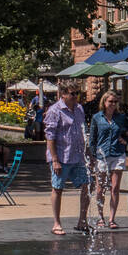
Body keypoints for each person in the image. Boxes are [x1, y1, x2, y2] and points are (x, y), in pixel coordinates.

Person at [44, 81, 89, 235]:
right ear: (63, 94)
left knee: (86, 186)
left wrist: (87, 154)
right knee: (58, 188)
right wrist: (55, 160)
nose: (76, 96)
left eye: (77, 93)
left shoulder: (79, 109)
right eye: (72, 93)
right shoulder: (55, 110)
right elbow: (50, 137)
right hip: (61, 156)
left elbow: (83, 132)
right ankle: (56, 223)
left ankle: (82, 221)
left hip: (78, 156)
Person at [88, 90, 127, 229]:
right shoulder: (97, 118)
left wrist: (126, 139)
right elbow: (92, 139)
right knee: (100, 188)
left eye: (115, 102)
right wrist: (92, 156)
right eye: (110, 101)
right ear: (104, 102)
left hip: (117, 154)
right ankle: (100, 217)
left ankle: (112, 218)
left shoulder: (121, 117)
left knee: (115, 188)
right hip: (102, 155)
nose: (113, 104)